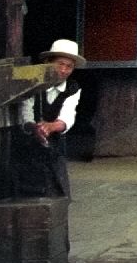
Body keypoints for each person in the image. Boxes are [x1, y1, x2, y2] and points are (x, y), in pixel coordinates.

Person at [11, 39, 83, 198]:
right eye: (60, 64)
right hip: (27, 145)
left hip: (55, 147)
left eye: (69, 66)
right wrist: (34, 127)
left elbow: (68, 116)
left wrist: (51, 127)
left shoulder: (73, 88)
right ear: (48, 62)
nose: (63, 70)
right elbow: (25, 111)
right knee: (27, 192)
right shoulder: (32, 83)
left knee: (57, 191)